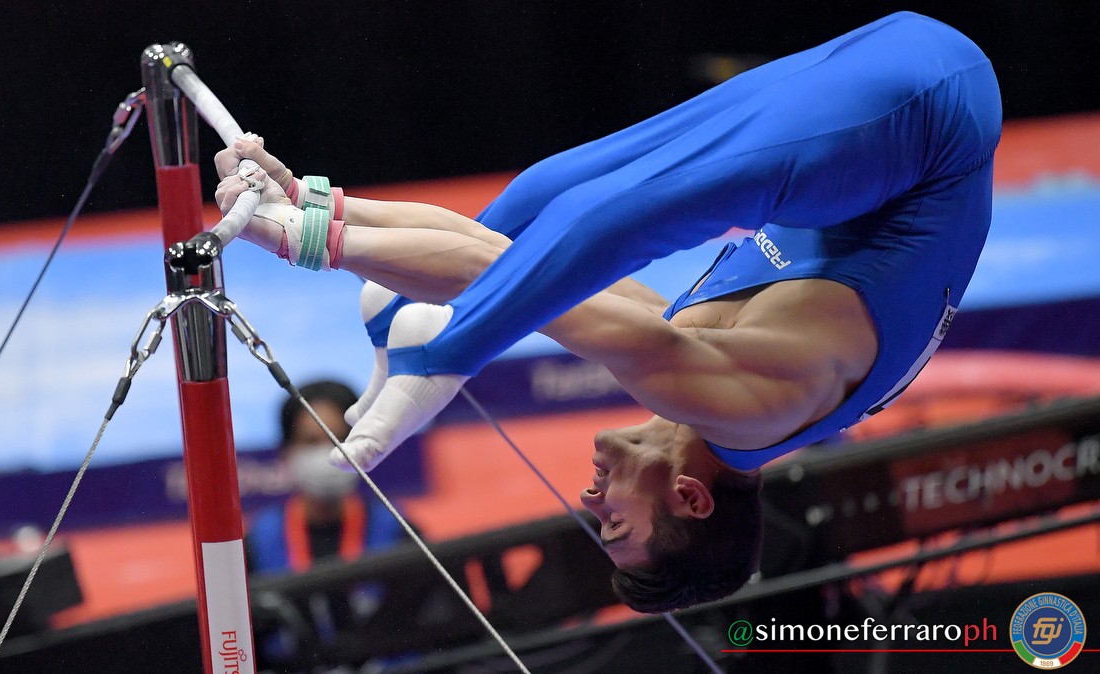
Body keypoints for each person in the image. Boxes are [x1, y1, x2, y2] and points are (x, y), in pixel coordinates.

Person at [216, 12, 1001, 612]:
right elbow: (561, 251)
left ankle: (424, 324)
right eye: (615, 524)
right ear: (690, 498)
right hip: (926, 123)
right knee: (605, 218)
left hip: (898, 68)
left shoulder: (718, 380)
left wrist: (314, 205)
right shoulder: (749, 409)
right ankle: (444, 356)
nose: (591, 502)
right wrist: (304, 248)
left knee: (546, 194)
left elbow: (497, 251)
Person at [245, 380, 407, 575]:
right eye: (311, 441)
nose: (328, 454)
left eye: (338, 440)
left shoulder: (397, 531)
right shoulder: (258, 542)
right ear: (286, 452)